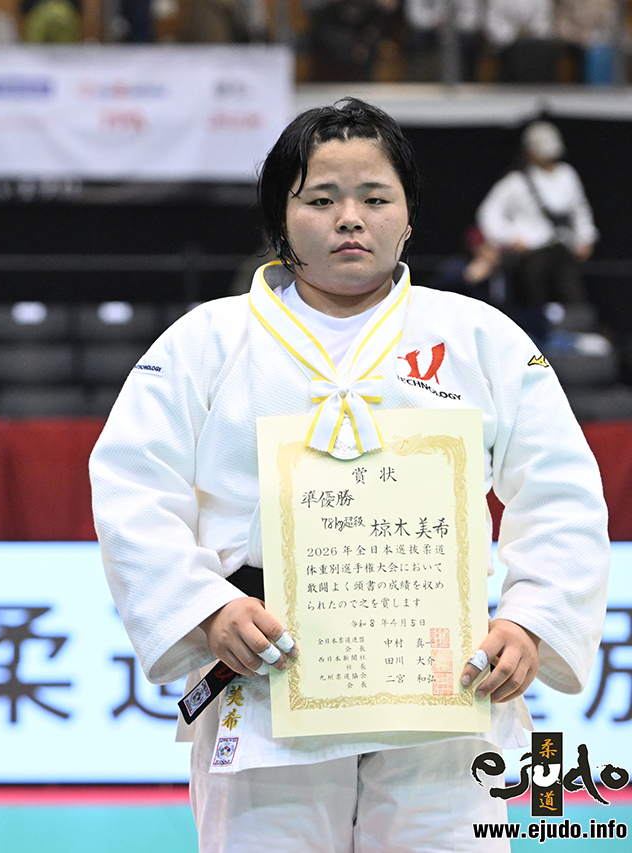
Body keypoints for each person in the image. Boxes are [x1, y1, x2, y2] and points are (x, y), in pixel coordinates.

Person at [91, 98, 608, 852]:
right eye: (321, 199)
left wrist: (531, 619)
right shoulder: (204, 341)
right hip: (267, 680)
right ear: (280, 216)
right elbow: (133, 489)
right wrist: (204, 609)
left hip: (447, 690)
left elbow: (561, 492)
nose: (350, 218)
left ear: (408, 215)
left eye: (375, 197)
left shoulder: (479, 337)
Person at [476, 119, 598, 345]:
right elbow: (488, 215)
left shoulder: (567, 175)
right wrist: (511, 239)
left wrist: (585, 237)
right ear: (531, 152)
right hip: (532, 254)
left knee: (575, 297)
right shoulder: (517, 182)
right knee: (535, 298)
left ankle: (581, 345)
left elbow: (580, 209)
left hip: (563, 250)